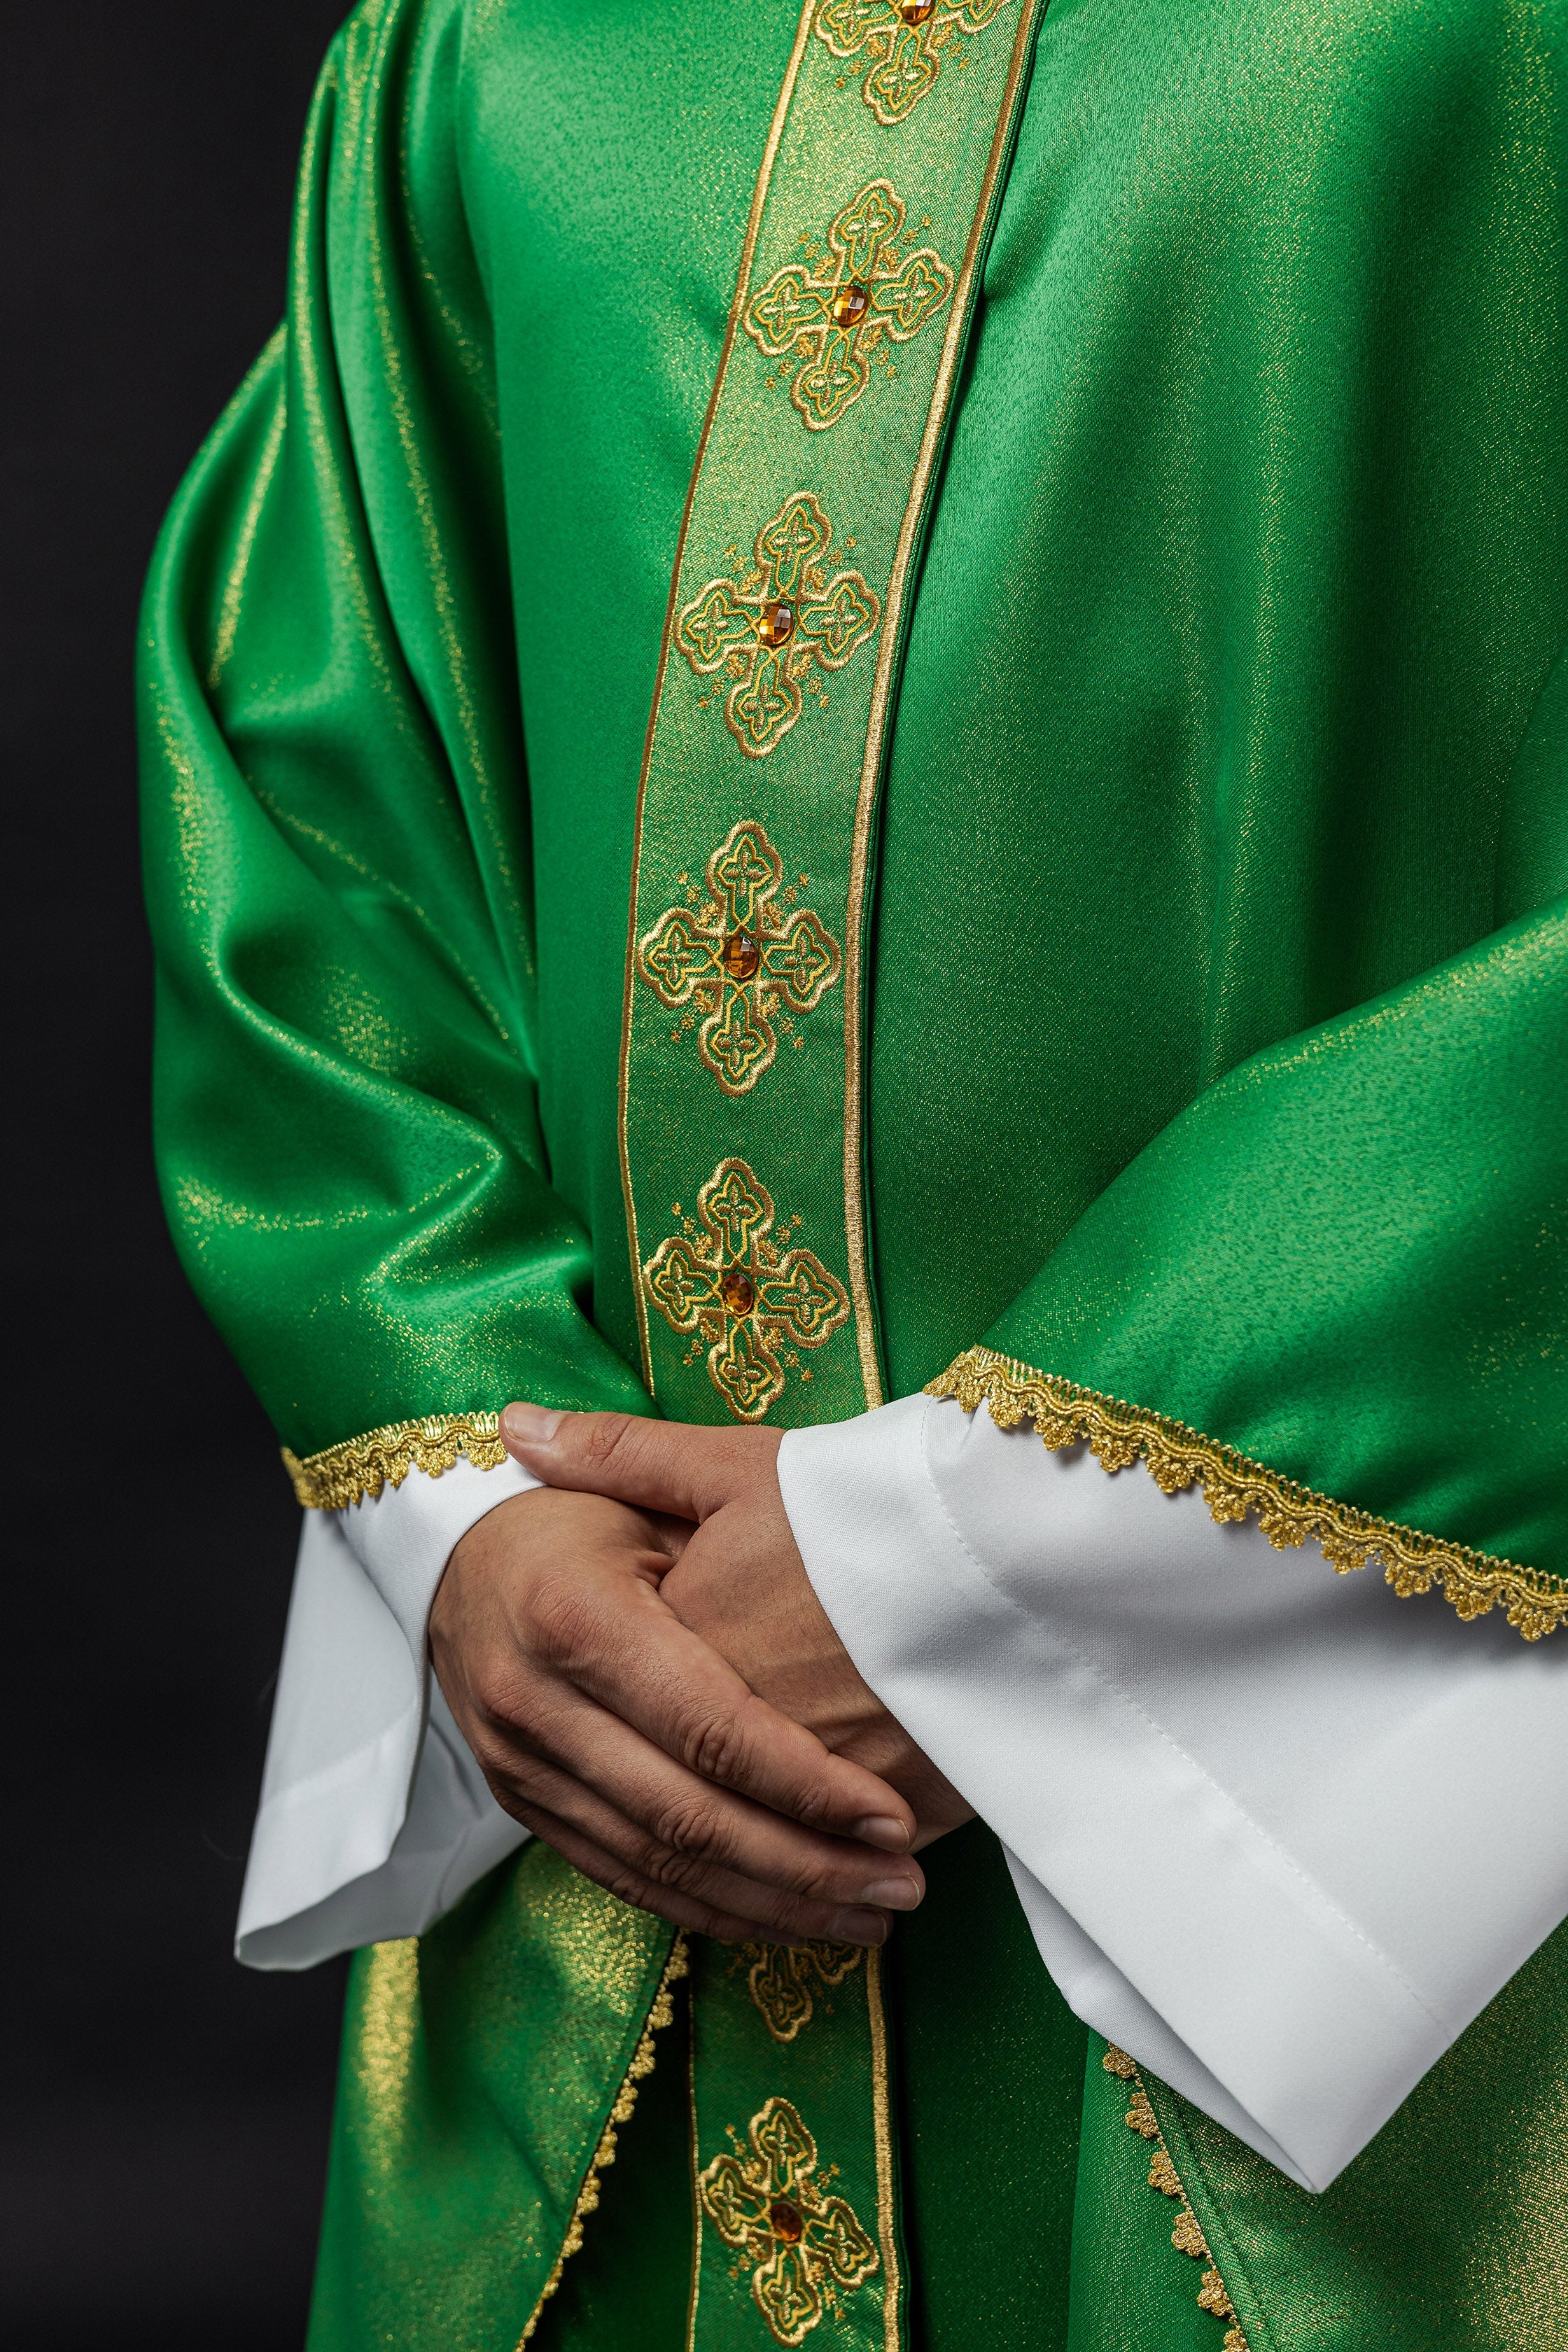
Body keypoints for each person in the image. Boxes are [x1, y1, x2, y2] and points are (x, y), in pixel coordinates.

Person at [139, 1, 1568, 2345]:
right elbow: (313, 756)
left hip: (1364, 1817)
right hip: (600, 1782)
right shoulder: (482, 35)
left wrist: (1004, 1552)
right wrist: (479, 1494)